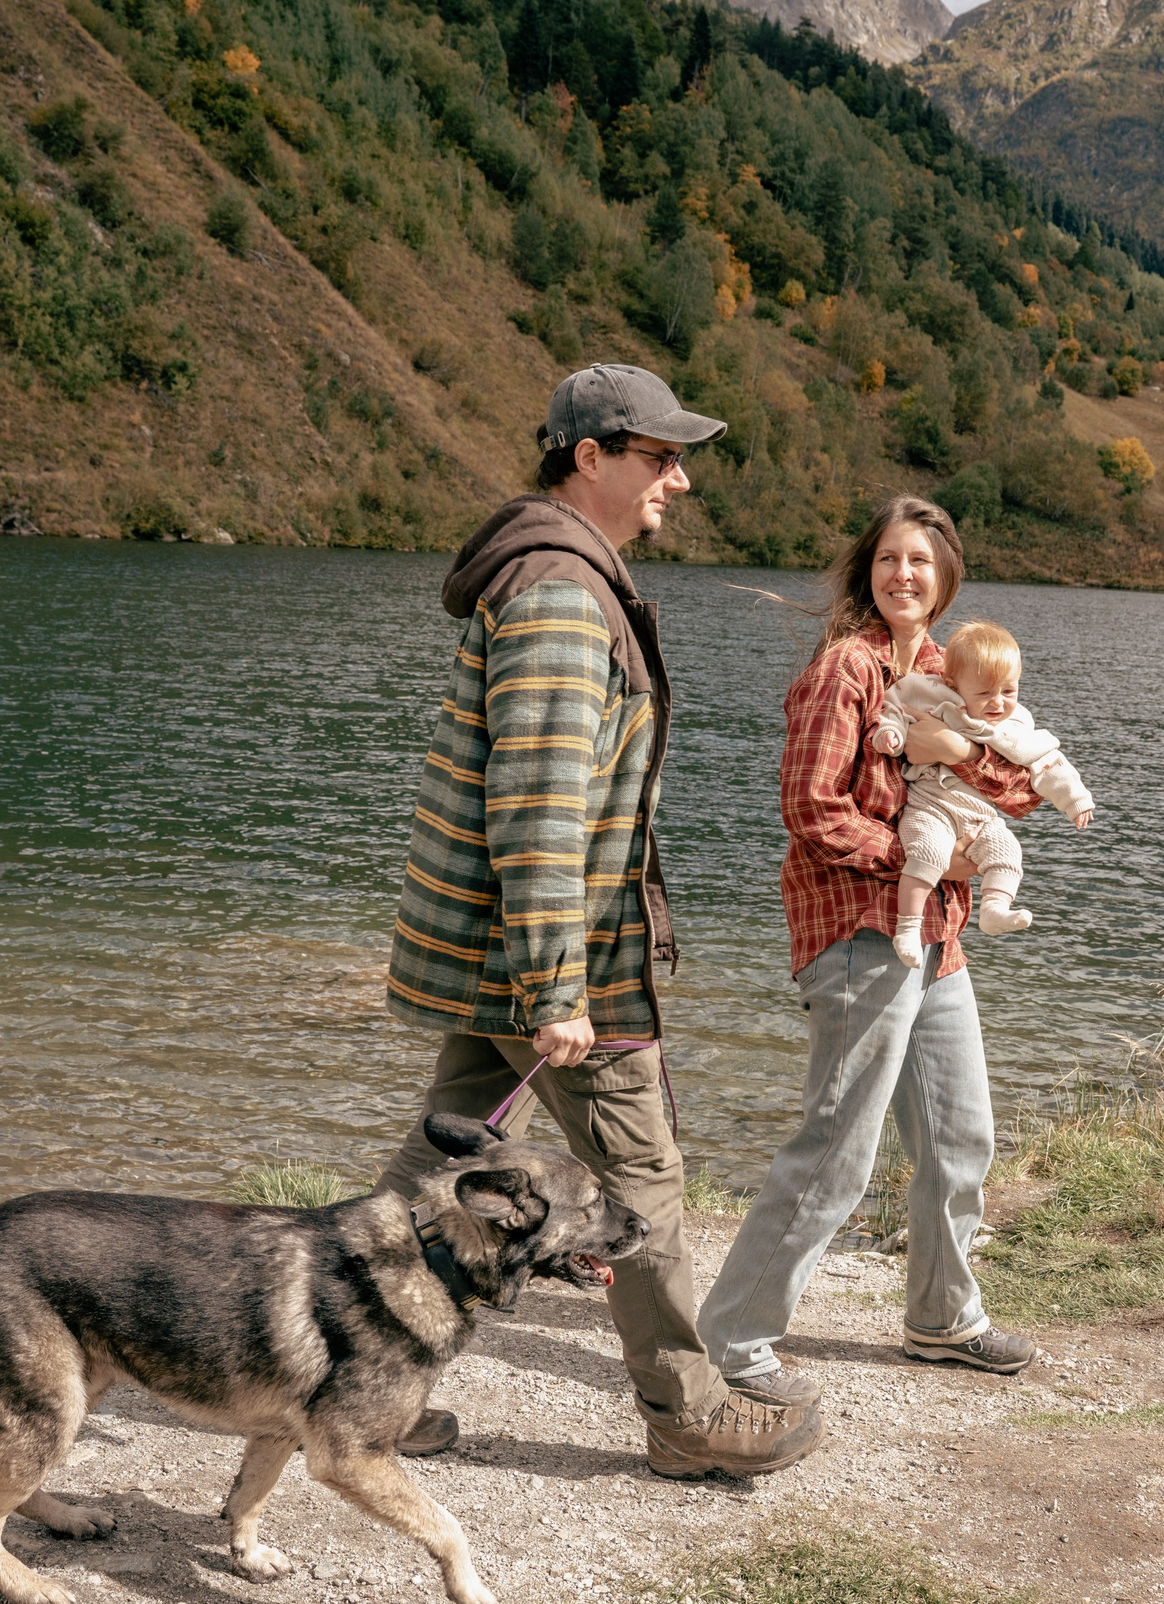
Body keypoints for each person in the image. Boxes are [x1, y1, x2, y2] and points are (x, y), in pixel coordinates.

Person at [374, 363, 828, 1480]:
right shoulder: (563, 600)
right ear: (589, 456)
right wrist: (554, 991)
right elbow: (537, 813)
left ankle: (353, 1382)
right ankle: (686, 1415)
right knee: (641, 1187)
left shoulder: (564, 580)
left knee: (435, 1182)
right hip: (548, 960)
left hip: (506, 951)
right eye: (658, 455)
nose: (678, 477)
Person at [697, 497, 1046, 1402]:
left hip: (939, 939)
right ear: (869, 570)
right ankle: (735, 1336)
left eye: (922, 562)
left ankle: (940, 1319)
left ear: (946, 578)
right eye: (890, 558)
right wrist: (927, 857)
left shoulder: (948, 669)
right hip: (856, 930)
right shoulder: (842, 669)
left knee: (962, 1136)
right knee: (839, 1149)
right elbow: (811, 810)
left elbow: (1023, 787)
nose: (904, 575)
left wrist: (951, 756)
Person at [868, 620, 1094, 966]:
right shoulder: (931, 694)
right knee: (928, 853)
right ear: (953, 684)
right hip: (932, 805)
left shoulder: (1014, 725)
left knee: (1008, 852)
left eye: (1008, 691)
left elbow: (1047, 763)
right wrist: (891, 732)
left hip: (982, 816)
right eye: (985, 693)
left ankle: (993, 910)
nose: (998, 703)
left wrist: (1074, 800)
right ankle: (908, 928)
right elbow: (896, 706)